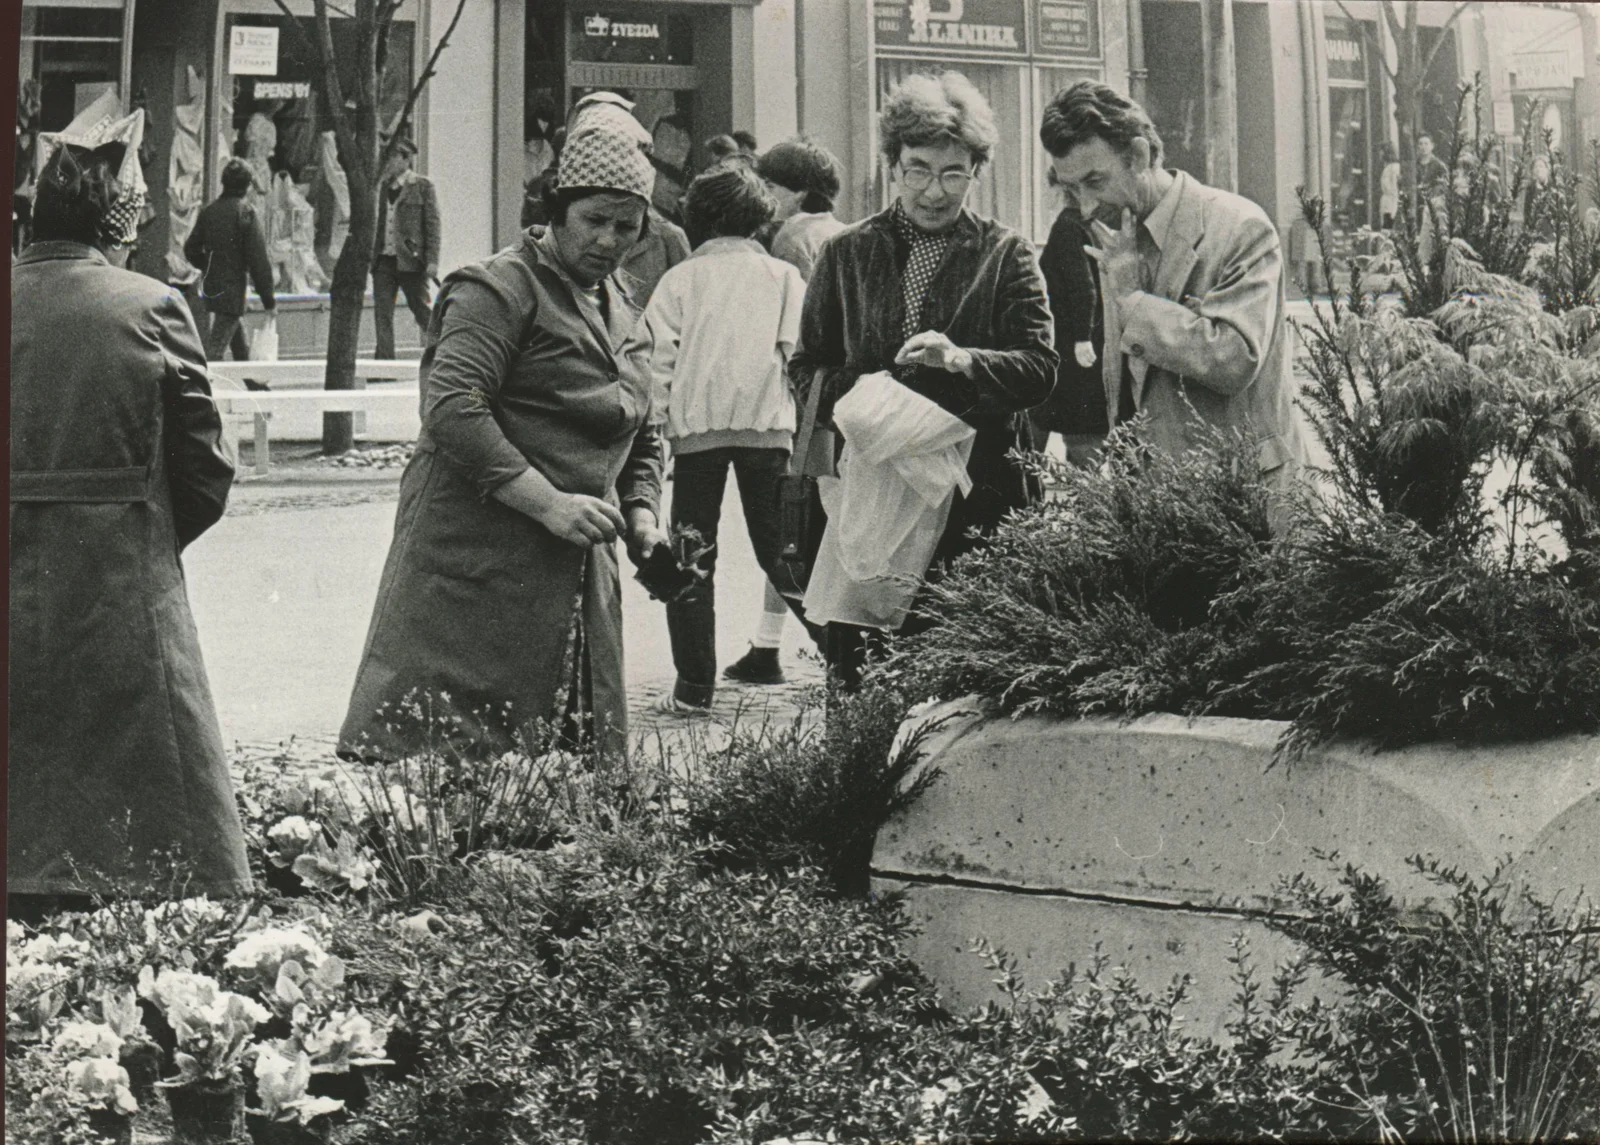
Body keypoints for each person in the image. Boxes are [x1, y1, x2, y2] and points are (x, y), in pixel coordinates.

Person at [340, 98, 668, 763]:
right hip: (478, 565)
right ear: (556, 210)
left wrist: (643, 515)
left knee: (566, 775)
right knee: (456, 763)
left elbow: (642, 429)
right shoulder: (497, 289)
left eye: (626, 227)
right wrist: (548, 503)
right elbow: (454, 408)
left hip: (576, 572)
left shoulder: (626, 307)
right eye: (594, 221)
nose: (609, 241)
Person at [10, 133, 248, 920]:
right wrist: (143, 535)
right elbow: (204, 467)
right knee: (150, 789)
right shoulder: (151, 307)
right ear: (116, 229)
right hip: (122, 572)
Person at [792, 71, 1057, 689]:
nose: (934, 192)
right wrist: (870, 398)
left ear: (977, 172)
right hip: (869, 500)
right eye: (918, 171)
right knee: (862, 675)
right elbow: (805, 368)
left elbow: (1040, 369)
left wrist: (963, 361)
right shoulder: (846, 253)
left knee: (964, 679)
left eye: (953, 174)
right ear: (892, 166)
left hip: (975, 502)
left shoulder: (1006, 254)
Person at [1040, 80, 1307, 531]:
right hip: (1160, 511)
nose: (1084, 208)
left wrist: (1132, 301)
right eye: (1070, 190)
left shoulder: (1241, 227)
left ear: (1139, 156)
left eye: (1094, 182)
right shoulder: (1116, 235)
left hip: (1249, 503)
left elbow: (1235, 358)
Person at [644, 165, 808, 713]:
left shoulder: (679, 281)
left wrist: (655, 432)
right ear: (760, 218)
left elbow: (657, 363)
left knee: (690, 556)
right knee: (783, 552)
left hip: (696, 438)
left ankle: (693, 688)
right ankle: (848, 664)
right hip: (769, 432)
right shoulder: (784, 277)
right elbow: (798, 357)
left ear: (697, 217)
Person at [719, 137, 849, 686]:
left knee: (791, 531)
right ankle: (766, 645)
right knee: (801, 529)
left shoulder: (790, 240)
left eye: (772, 185)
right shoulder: (844, 231)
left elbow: (791, 328)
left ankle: (836, 649)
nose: (765, 195)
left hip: (806, 405)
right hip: (846, 399)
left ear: (798, 192)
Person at [1028, 185, 1104, 469]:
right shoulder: (1086, 226)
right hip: (1081, 341)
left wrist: (1082, 338)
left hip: (1072, 344)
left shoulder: (1067, 226)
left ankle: (1028, 483)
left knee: (1067, 426)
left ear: (1061, 190)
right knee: (1075, 426)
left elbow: (1083, 287)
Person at [184, 158, 278, 362]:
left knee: (237, 340)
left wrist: (209, 265)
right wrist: (269, 300)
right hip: (233, 288)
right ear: (247, 186)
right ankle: (204, 379)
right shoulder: (245, 213)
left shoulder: (209, 211)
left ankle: (249, 377)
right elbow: (259, 261)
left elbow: (190, 248)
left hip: (213, 286)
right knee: (215, 349)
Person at [372, 134, 440, 360]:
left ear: (406, 159)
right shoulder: (382, 186)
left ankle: (443, 354)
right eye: (387, 157)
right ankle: (384, 365)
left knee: (420, 308)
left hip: (412, 260)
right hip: (384, 260)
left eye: (393, 157)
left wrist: (432, 260)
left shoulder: (422, 186)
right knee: (382, 314)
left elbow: (432, 225)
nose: (388, 162)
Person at [1378, 142, 1400, 228]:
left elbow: (1394, 188)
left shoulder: (1394, 167)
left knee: (1388, 226)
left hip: (1391, 203)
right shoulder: (1388, 167)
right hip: (1387, 202)